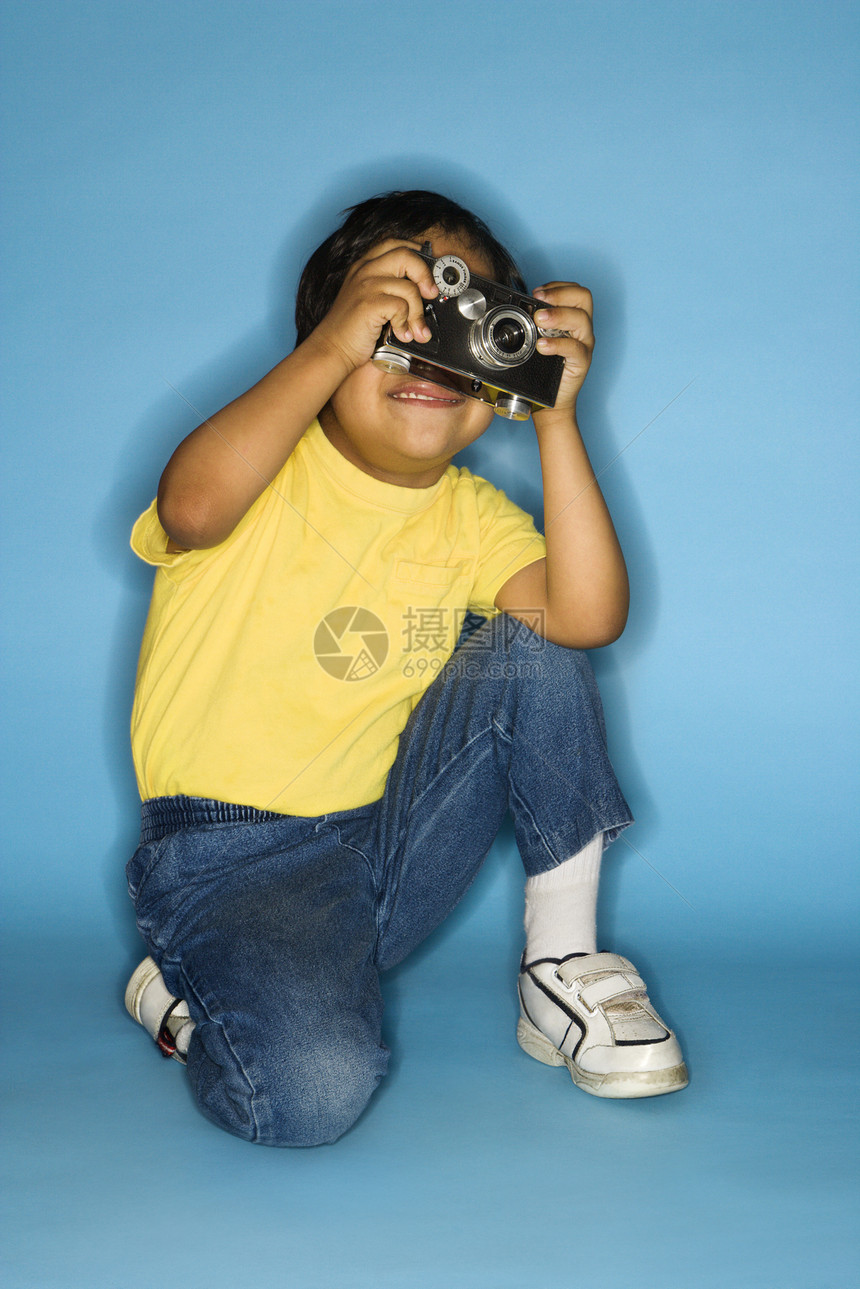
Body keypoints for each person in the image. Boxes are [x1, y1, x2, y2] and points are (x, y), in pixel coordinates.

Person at [124, 189, 687, 1147]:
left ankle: (562, 964)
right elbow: (192, 507)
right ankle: (189, 994)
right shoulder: (265, 467)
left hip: (384, 846)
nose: (428, 356)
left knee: (529, 649)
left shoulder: (469, 517)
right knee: (311, 1097)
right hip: (224, 862)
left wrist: (553, 411)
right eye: (396, 322)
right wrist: (331, 349)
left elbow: (585, 617)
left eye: (463, 332)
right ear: (333, 336)